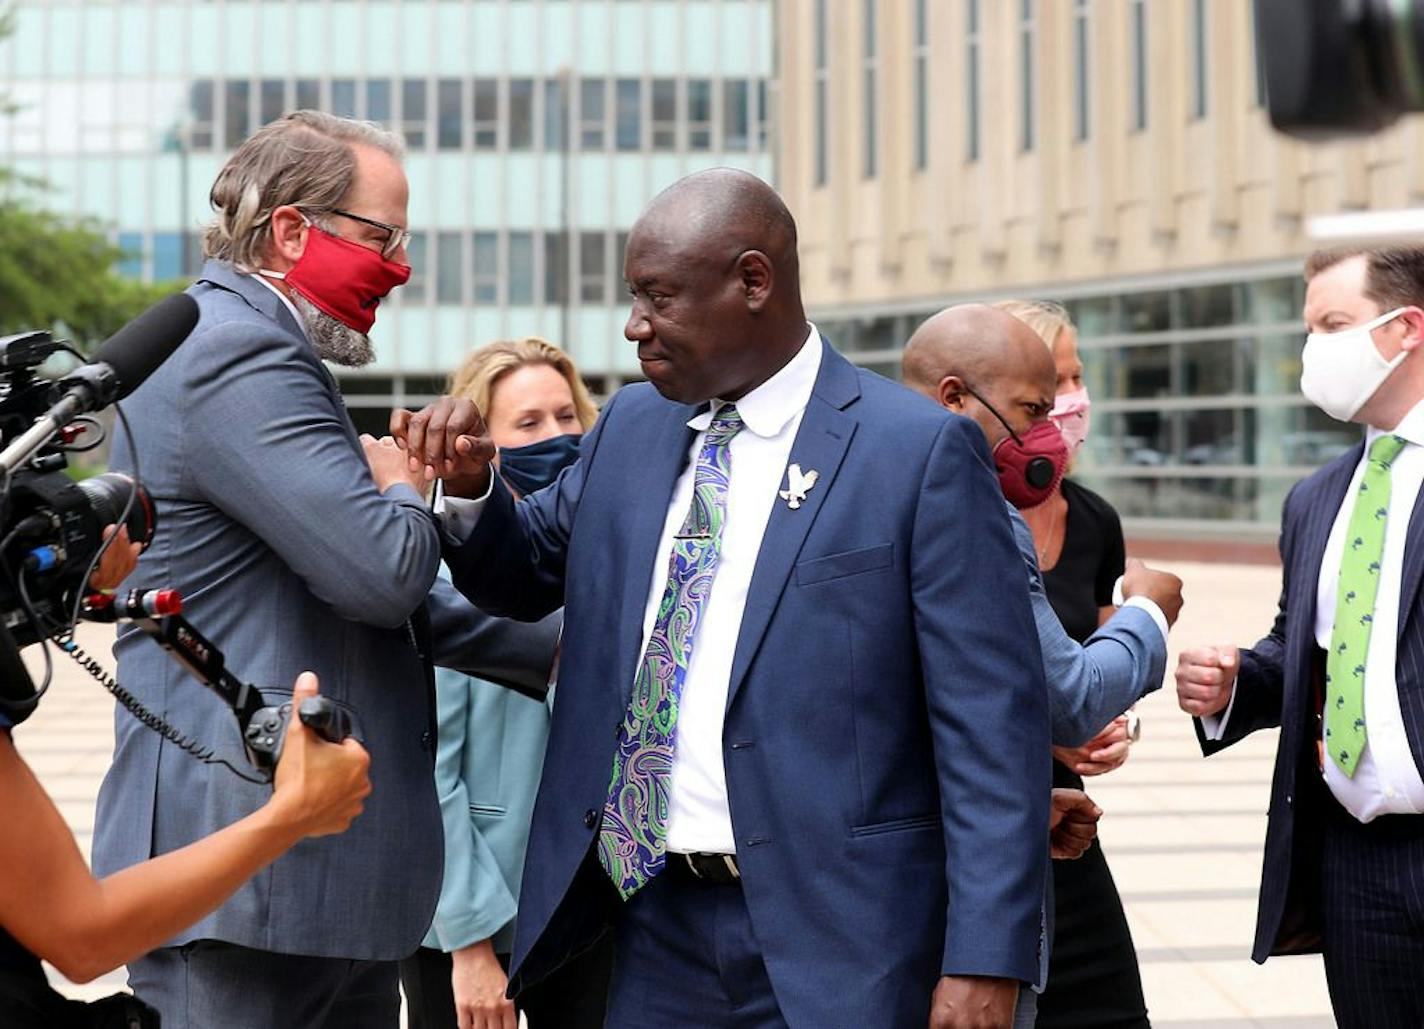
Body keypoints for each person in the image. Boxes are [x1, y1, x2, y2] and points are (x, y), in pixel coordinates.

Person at [399, 169, 1052, 1029]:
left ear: (753, 282)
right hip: (654, 922)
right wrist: (474, 488)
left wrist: (984, 958)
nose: (635, 326)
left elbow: (992, 724)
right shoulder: (631, 428)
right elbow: (521, 573)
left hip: (847, 943)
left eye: (657, 297)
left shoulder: (916, 451)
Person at [92, 111, 557, 1029]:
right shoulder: (240, 349)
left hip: (305, 886)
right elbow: (382, 577)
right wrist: (407, 484)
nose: (398, 268)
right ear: (293, 230)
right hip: (247, 880)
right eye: (381, 238)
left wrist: (568, 649)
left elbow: (366, 603)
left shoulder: (246, 343)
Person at [901, 304, 1183, 1027]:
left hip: (1038, 828)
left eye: (1070, 389)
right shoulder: (974, 508)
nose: (1051, 426)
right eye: (1036, 402)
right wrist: (1151, 610)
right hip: (973, 871)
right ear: (957, 393)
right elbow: (1069, 695)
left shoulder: (1090, 519)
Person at [1176, 247, 1424, 1028]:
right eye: (1309, 325)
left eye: (1333, 324)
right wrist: (1236, 680)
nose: (1313, 346)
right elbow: (1306, 647)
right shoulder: (1316, 497)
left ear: (1406, 328)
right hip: (1353, 861)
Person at [399, 338, 610, 1029]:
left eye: (566, 416)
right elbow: (428, 766)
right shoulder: (440, 565)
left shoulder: (607, 547)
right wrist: (469, 939)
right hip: (479, 904)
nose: (555, 435)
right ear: (478, 443)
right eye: (528, 423)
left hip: (592, 900)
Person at [981, 298, 1153, 1028]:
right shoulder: (958, 510)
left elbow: (1100, 666)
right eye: (1056, 380)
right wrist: (1152, 612)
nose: (1073, 398)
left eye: (1079, 376)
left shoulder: (1093, 519)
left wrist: (1116, 726)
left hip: (1070, 825)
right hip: (988, 829)